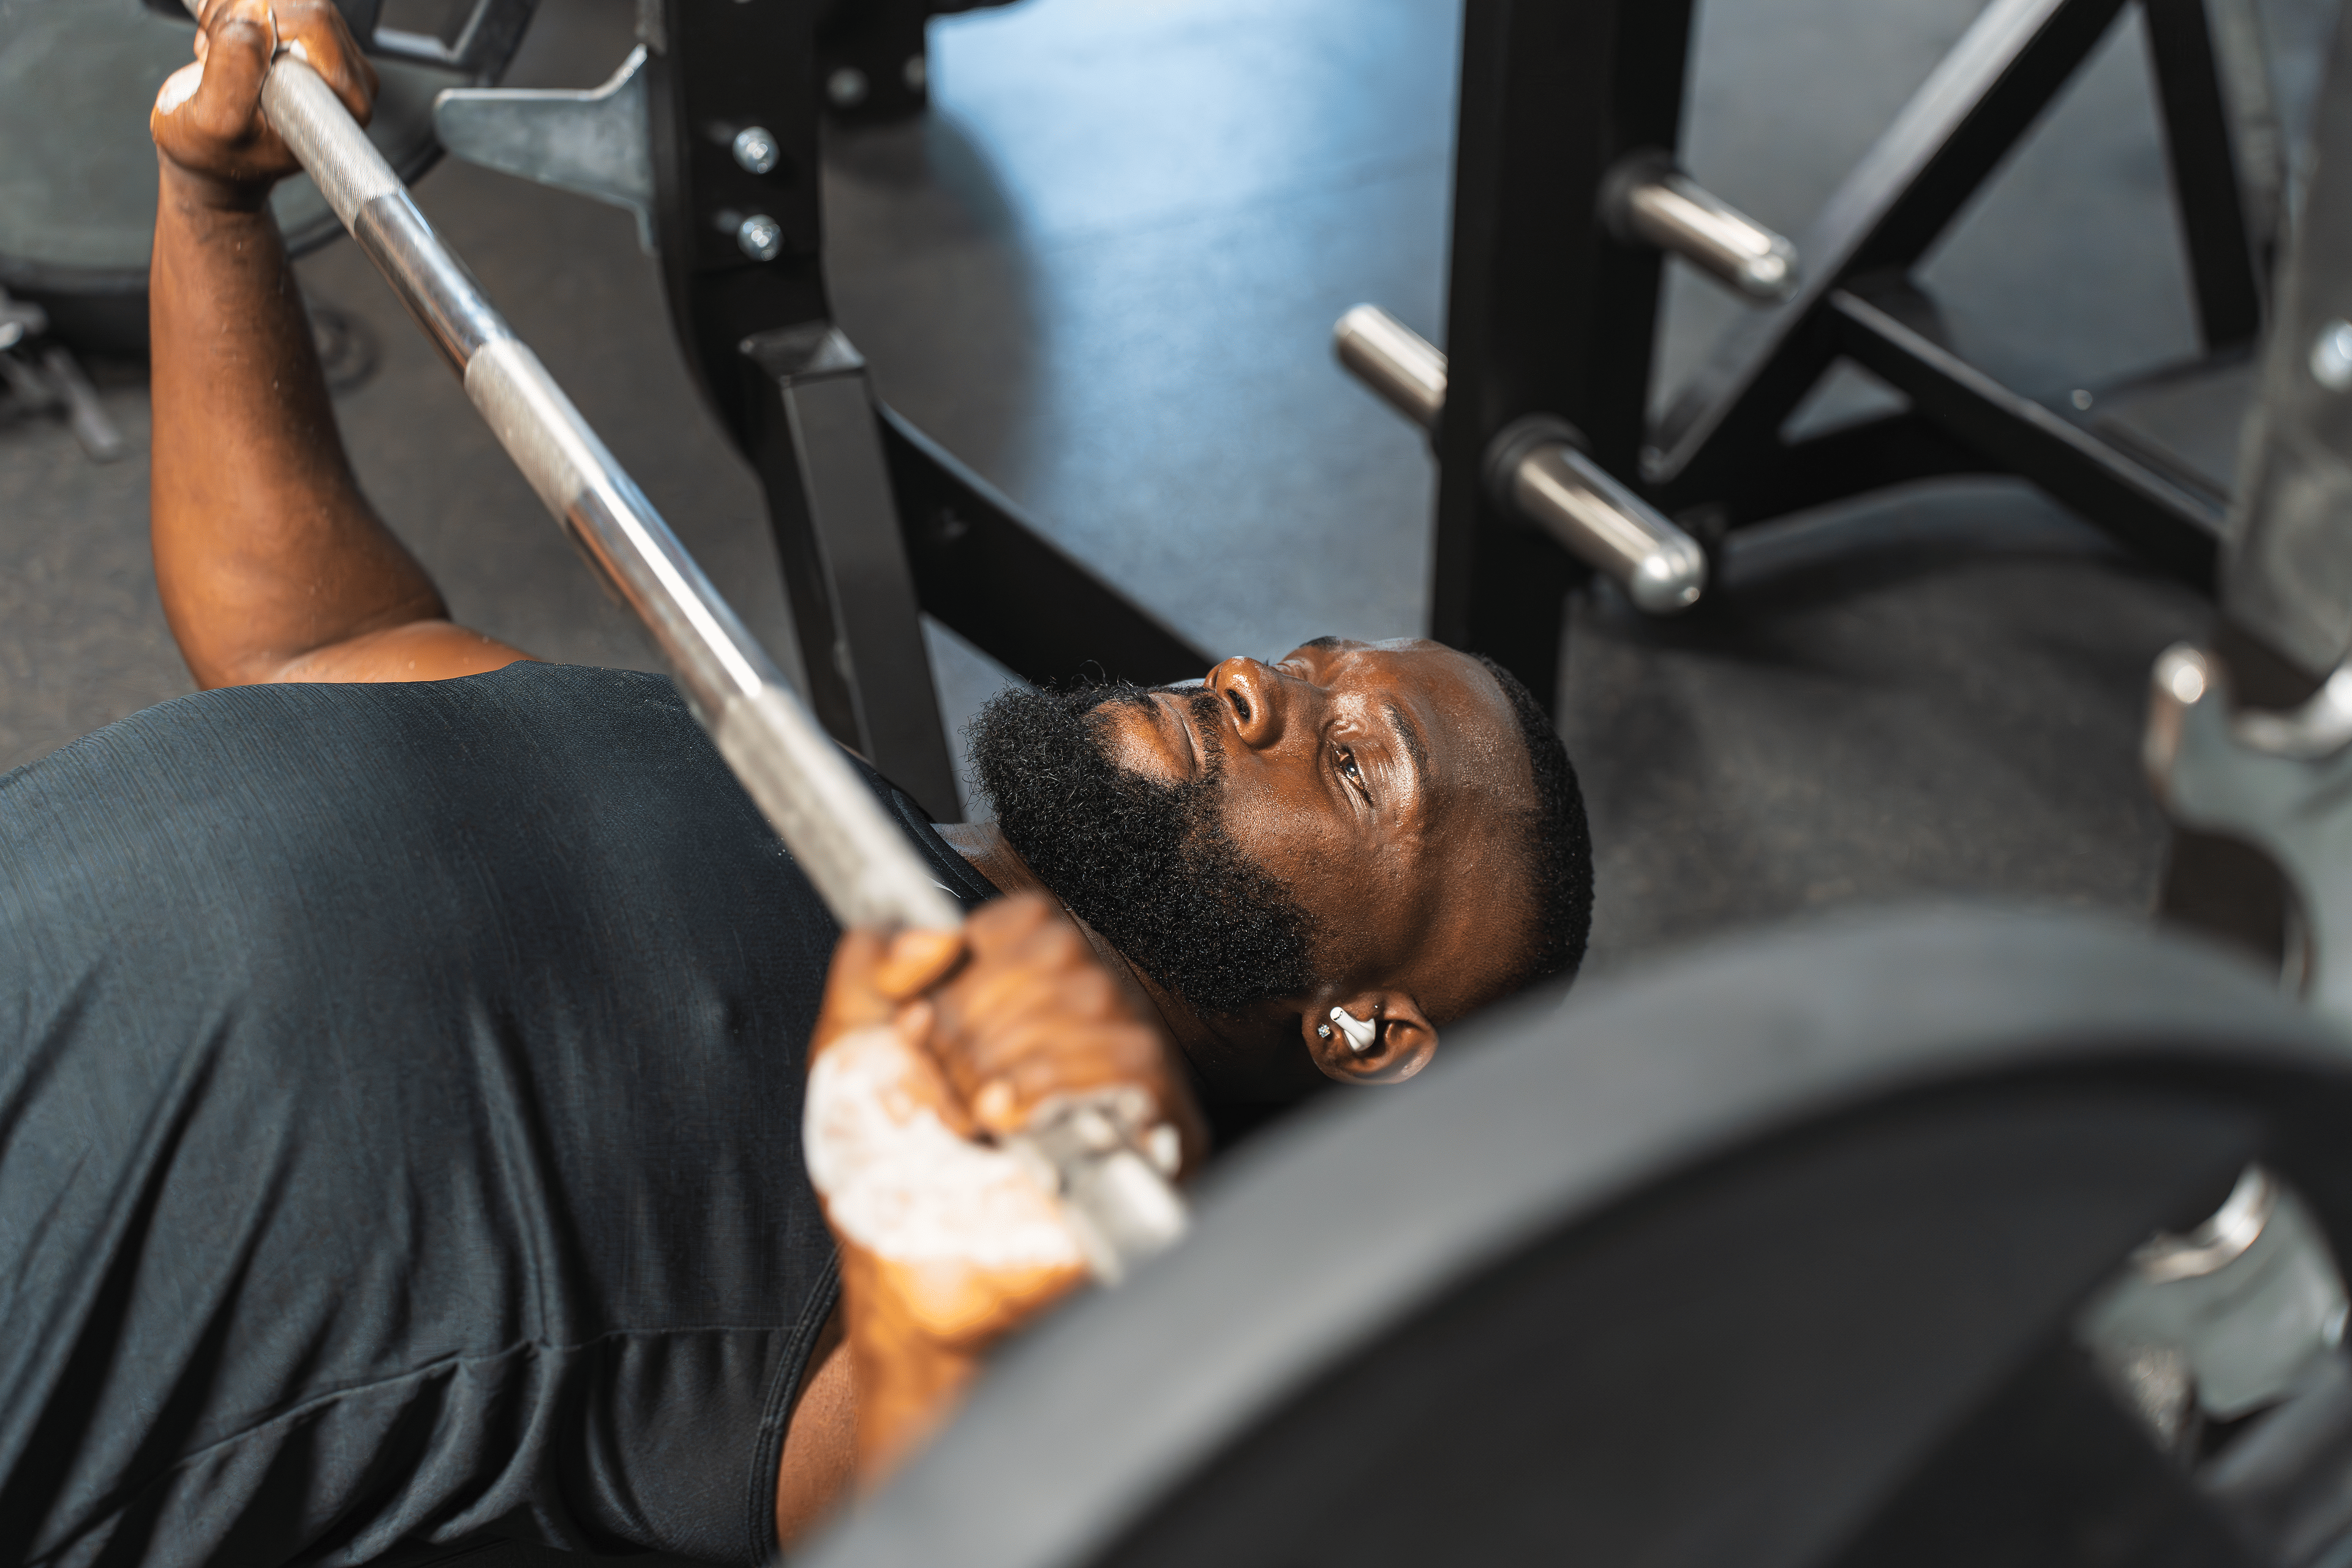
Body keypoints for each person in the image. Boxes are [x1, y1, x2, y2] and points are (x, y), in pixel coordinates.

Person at [0, 2, 1594, 1563]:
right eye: (1302, 664)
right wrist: (215, 206)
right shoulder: (794, 780)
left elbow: (909, 1496)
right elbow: (316, 643)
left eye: (1354, 762)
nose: (1249, 682)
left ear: (1364, 1030)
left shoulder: (1030, 1219)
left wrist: (996, 1248)